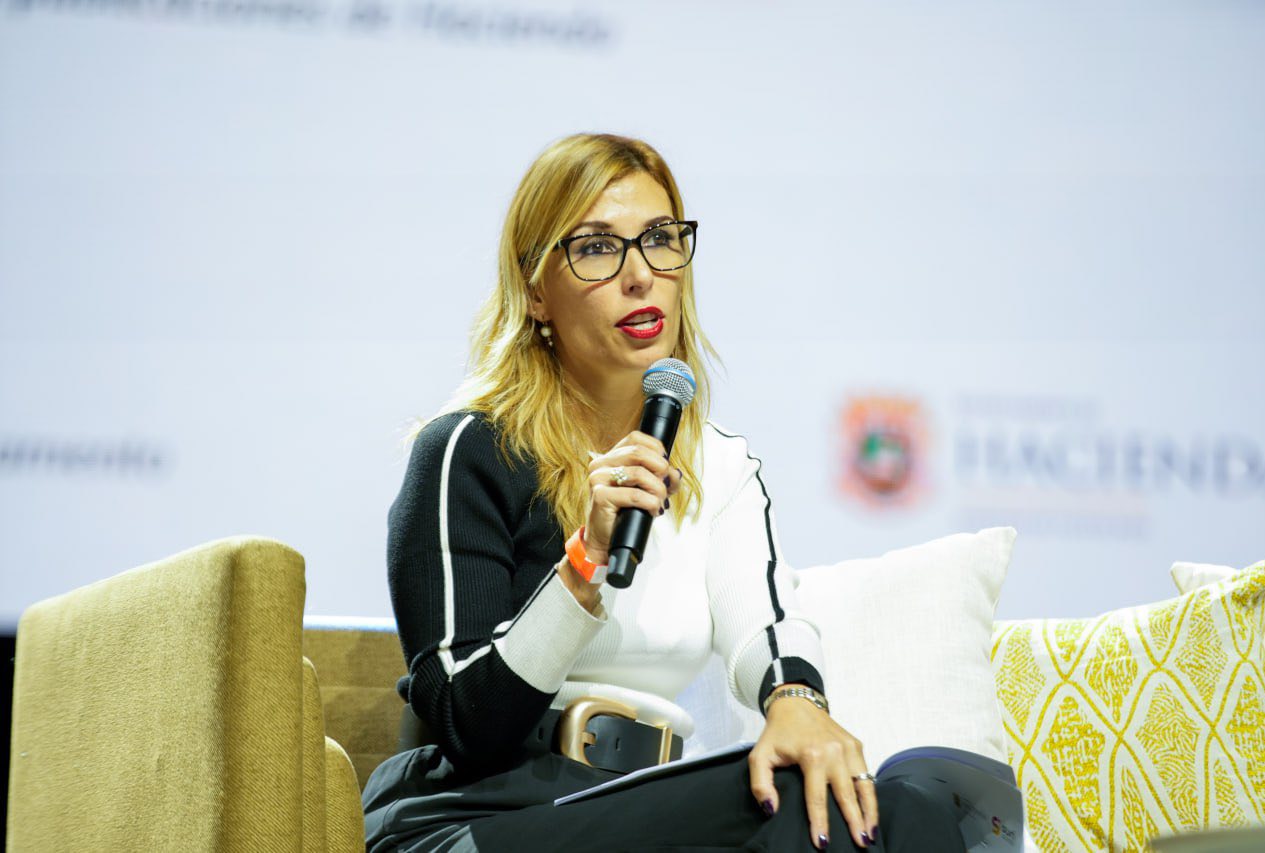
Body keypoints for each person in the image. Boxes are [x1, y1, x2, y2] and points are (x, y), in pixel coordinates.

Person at [362, 133, 965, 852]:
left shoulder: (719, 465)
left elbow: (764, 619)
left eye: (659, 239)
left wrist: (796, 700)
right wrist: (584, 562)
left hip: (636, 804)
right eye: (596, 248)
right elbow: (468, 720)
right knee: (812, 810)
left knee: (908, 805)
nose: (640, 275)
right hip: (475, 816)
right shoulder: (469, 449)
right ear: (535, 291)